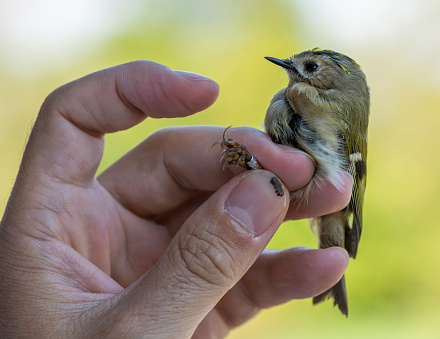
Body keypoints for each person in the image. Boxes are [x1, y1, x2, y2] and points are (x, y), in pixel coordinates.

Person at [0, 61, 352, 338]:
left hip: (318, 195)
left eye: (310, 68)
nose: (294, 70)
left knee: (277, 183)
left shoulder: (332, 108)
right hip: (288, 181)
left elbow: (338, 177)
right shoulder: (286, 100)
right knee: (274, 176)